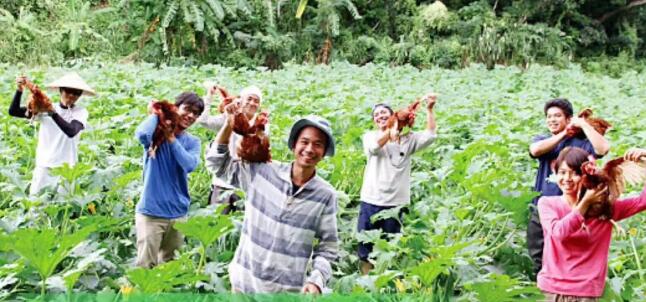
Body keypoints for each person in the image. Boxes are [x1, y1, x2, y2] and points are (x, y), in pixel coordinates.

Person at [205, 103, 338, 293]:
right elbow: (217, 164)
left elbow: (328, 247)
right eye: (304, 142)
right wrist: (228, 125)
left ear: (324, 153)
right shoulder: (263, 171)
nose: (309, 149)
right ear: (294, 145)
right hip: (244, 285)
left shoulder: (325, 195)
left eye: (318, 145)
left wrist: (317, 280)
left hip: (287, 291)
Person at [537, 147, 646, 301]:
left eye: (575, 173)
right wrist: (585, 204)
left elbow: (642, 201)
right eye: (562, 172)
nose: (567, 178)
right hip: (551, 290)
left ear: (586, 176)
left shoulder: (606, 210)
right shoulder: (548, 204)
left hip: (586, 292)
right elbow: (559, 233)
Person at [527, 98, 610, 277]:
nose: (552, 120)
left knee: (567, 254)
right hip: (542, 207)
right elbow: (535, 150)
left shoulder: (582, 143)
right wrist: (564, 134)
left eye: (557, 115)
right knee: (537, 255)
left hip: (573, 207)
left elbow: (603, 149)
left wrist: (583, 125)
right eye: (548, 116)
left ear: (569, 118)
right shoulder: (545, 140)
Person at [357, 94, 437, 274]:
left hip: (396, 203)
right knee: (365, 247)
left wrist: (430, 110)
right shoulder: (370, 136)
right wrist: (392, 129)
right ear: (374, 121)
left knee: (392, 249)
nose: (380, 116)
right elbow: (375, 147)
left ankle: (388, 282)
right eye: (376, 115)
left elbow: (430, 135)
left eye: (384, 112)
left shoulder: (409, 140)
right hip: (371, 200)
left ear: (392, 115)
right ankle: (366, 280)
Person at [133, 92, 204, 268]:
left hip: (178, 214)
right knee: (145, 268)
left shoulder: (193, 142)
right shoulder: (156, 136)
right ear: (175, 108)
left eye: (196, 113)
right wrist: (156, 114)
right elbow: (141, 134)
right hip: (151, 213)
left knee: (171, 268)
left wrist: (172, 139)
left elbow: (189, 164)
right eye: (187, 109)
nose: (191, 116)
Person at [8, 73, 95, 196]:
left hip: (67, 168)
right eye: (68, 91)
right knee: (36, 206)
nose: (72, 95)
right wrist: (19, 90)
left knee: (62, 206)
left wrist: (52, 113)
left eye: (76, 93)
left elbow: (71, 131)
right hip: (44, 165)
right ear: (61, 90)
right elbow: (14, 111)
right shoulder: (44, 108)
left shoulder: (80, 112)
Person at [197, 85, 265, 213]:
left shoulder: (261, 124)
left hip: (245, 186)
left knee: (241, 228)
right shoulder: (228, 117)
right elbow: (203, 121)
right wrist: (209, 96)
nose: (252, 103)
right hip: (222, 184)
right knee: (218, 226)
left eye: (256, 101)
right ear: (241, 100)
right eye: (249, 99)